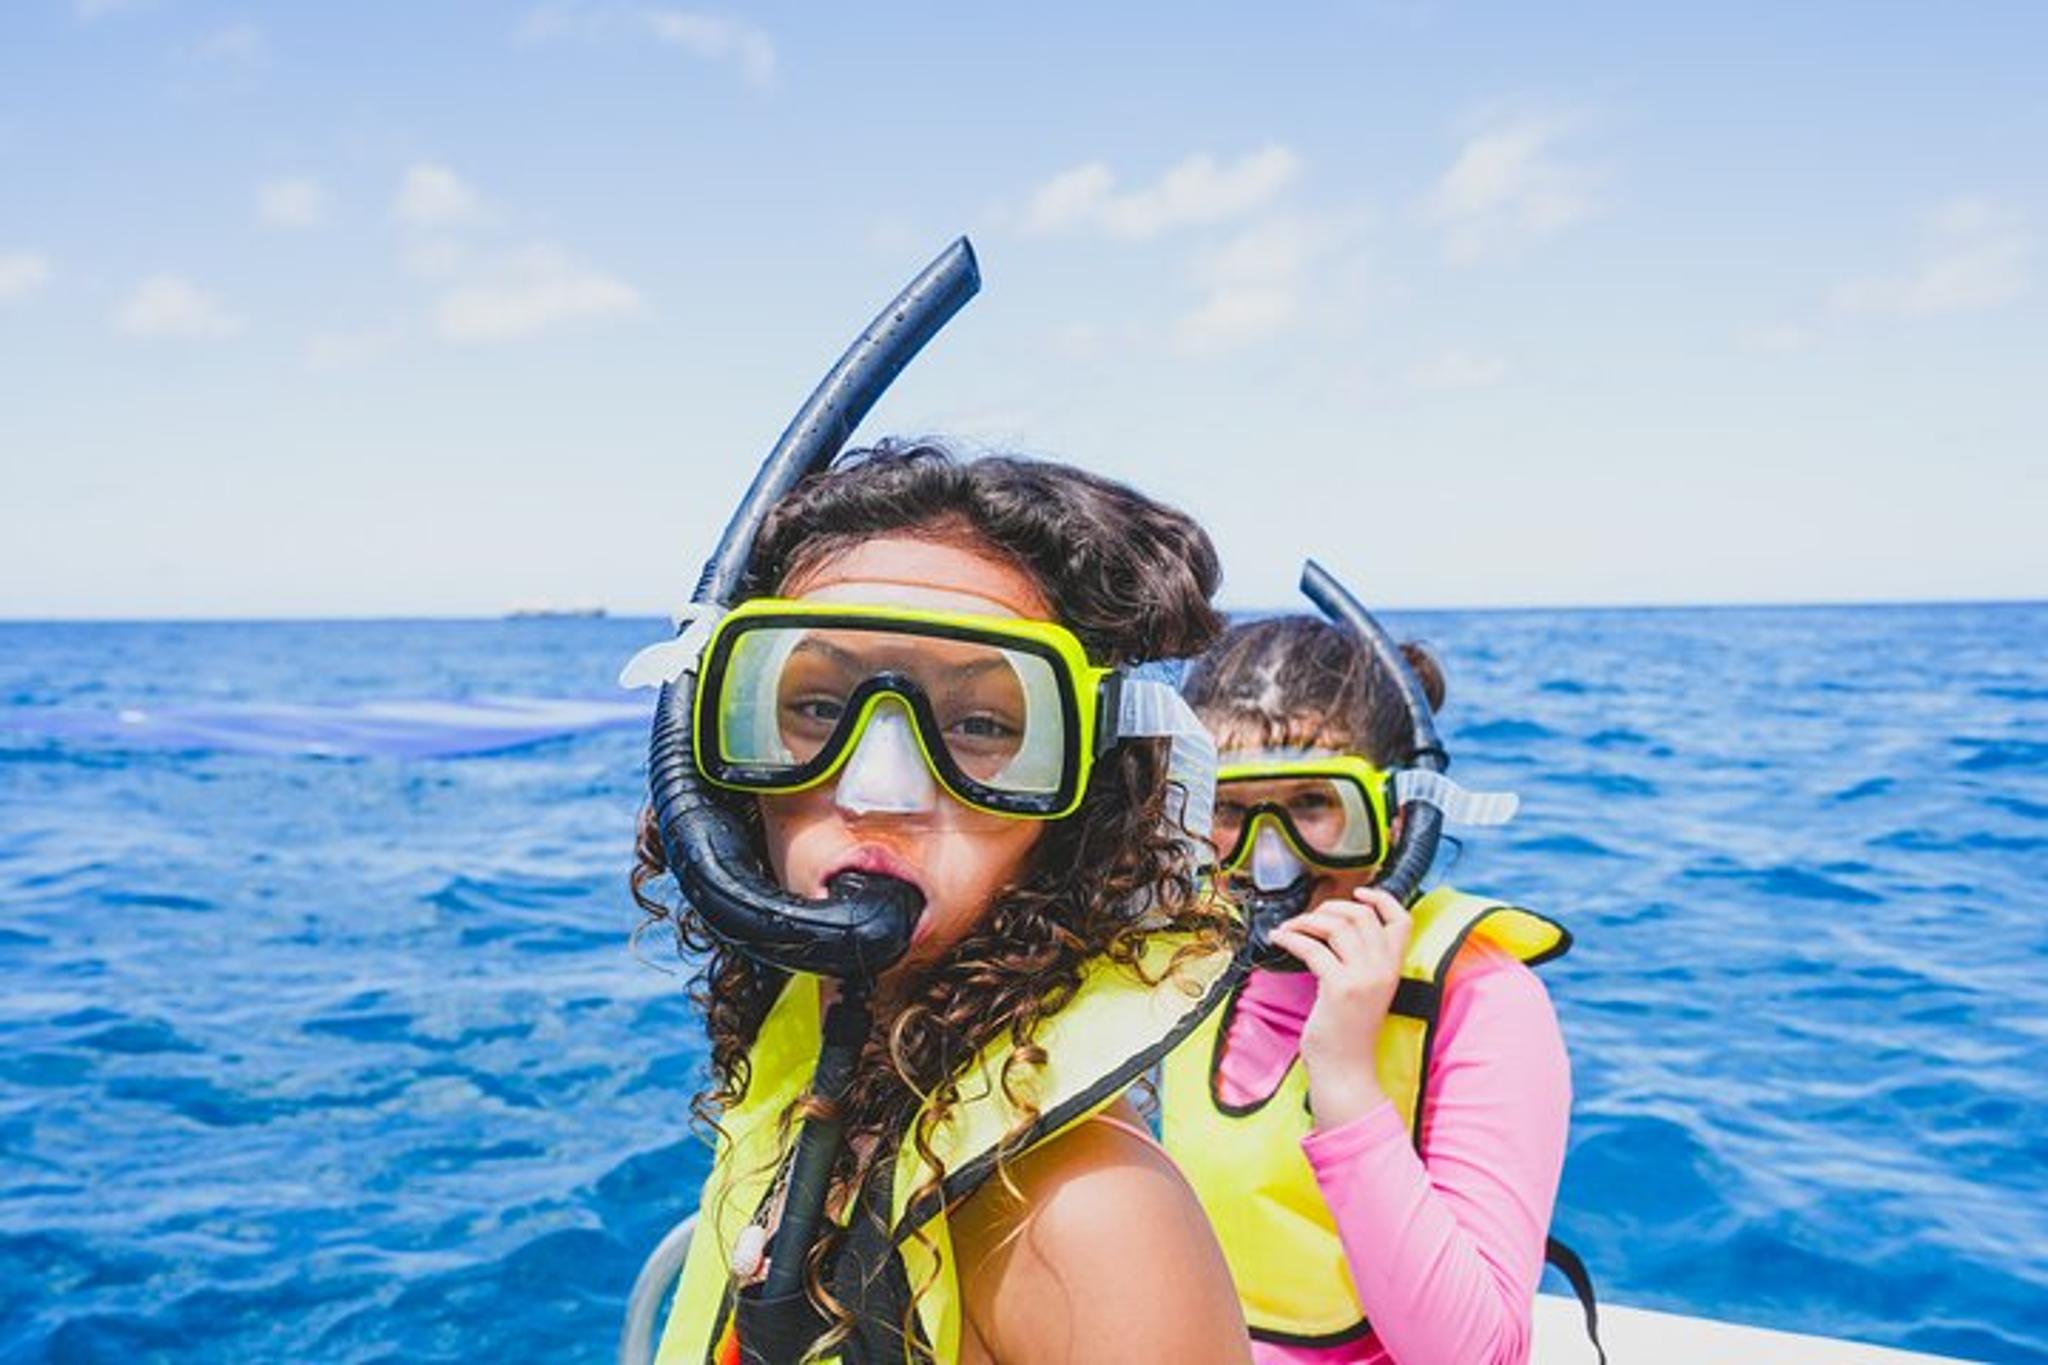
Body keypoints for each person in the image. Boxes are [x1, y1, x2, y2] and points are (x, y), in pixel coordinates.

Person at [634, 442, 1251, 1364]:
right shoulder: (827, 1078)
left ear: (1088, 790)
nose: (878, 790)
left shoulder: (1090, 1222)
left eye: (979, 724)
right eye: (812, 707)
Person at [1160, 585, 1578, 1365]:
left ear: (1397, 814)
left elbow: (1476, 1355)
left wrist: (1347, 1076)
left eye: (1314, 803)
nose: (1270, 856)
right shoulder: (1182, 964)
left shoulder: (1475, 999)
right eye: (1229, 808)